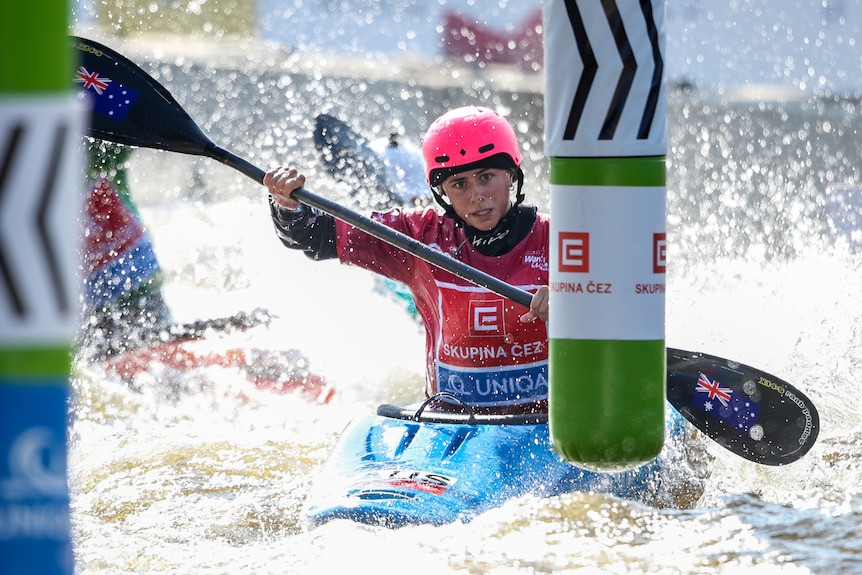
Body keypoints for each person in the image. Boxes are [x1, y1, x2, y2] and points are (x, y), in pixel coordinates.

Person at [265, 106, 550, 414]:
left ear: (511, 175)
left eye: (486, 177)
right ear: (442, 192)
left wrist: (578, 304)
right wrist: (286, 203)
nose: (477, 195)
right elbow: (312, 235)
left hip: (545, 427)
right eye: (460, 184)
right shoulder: (419, 236)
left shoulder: (558, 239)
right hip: (453, 426)